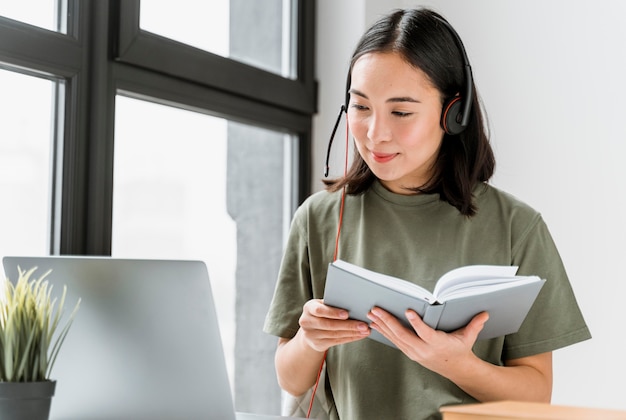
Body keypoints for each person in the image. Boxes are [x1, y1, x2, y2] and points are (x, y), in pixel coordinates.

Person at [263, 7, 591, 420]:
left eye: (401, 112)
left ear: (453, 114)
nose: (375, 132)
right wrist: (310, 340)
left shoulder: (516, 227)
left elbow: (536, 394)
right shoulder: (319, 217)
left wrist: (458, 364)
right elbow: (291, 380)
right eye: (361, 107)